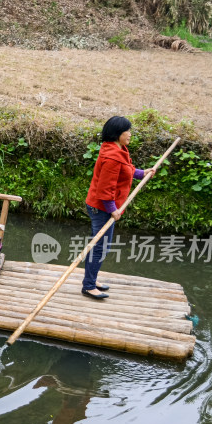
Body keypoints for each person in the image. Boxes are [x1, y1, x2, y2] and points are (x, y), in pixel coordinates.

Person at [82, 116, 155, 300]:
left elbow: (127, 170)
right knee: (99, 247)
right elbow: (105, 189)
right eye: (127, 131)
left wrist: (142, 173)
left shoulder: (118, 150)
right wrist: (113, 209)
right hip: (101, 207)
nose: (130, 134)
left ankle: (92, 279)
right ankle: (89, 286)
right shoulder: (112, 156)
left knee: (103, 246)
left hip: (106, 206)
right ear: (117, 134)